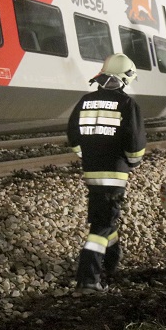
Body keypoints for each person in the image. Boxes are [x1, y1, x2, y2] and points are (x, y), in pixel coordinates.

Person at [67, 53, 146, 294]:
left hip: (91, 173)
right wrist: (133, 163)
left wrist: (88, 156)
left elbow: (73, 136)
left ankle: (112, 261)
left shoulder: (85, 101)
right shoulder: (127, 104)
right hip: (115, 175)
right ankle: (88, 279)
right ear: (125, 79)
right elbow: (135, 143)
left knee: (104, 216)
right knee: (102, 225)